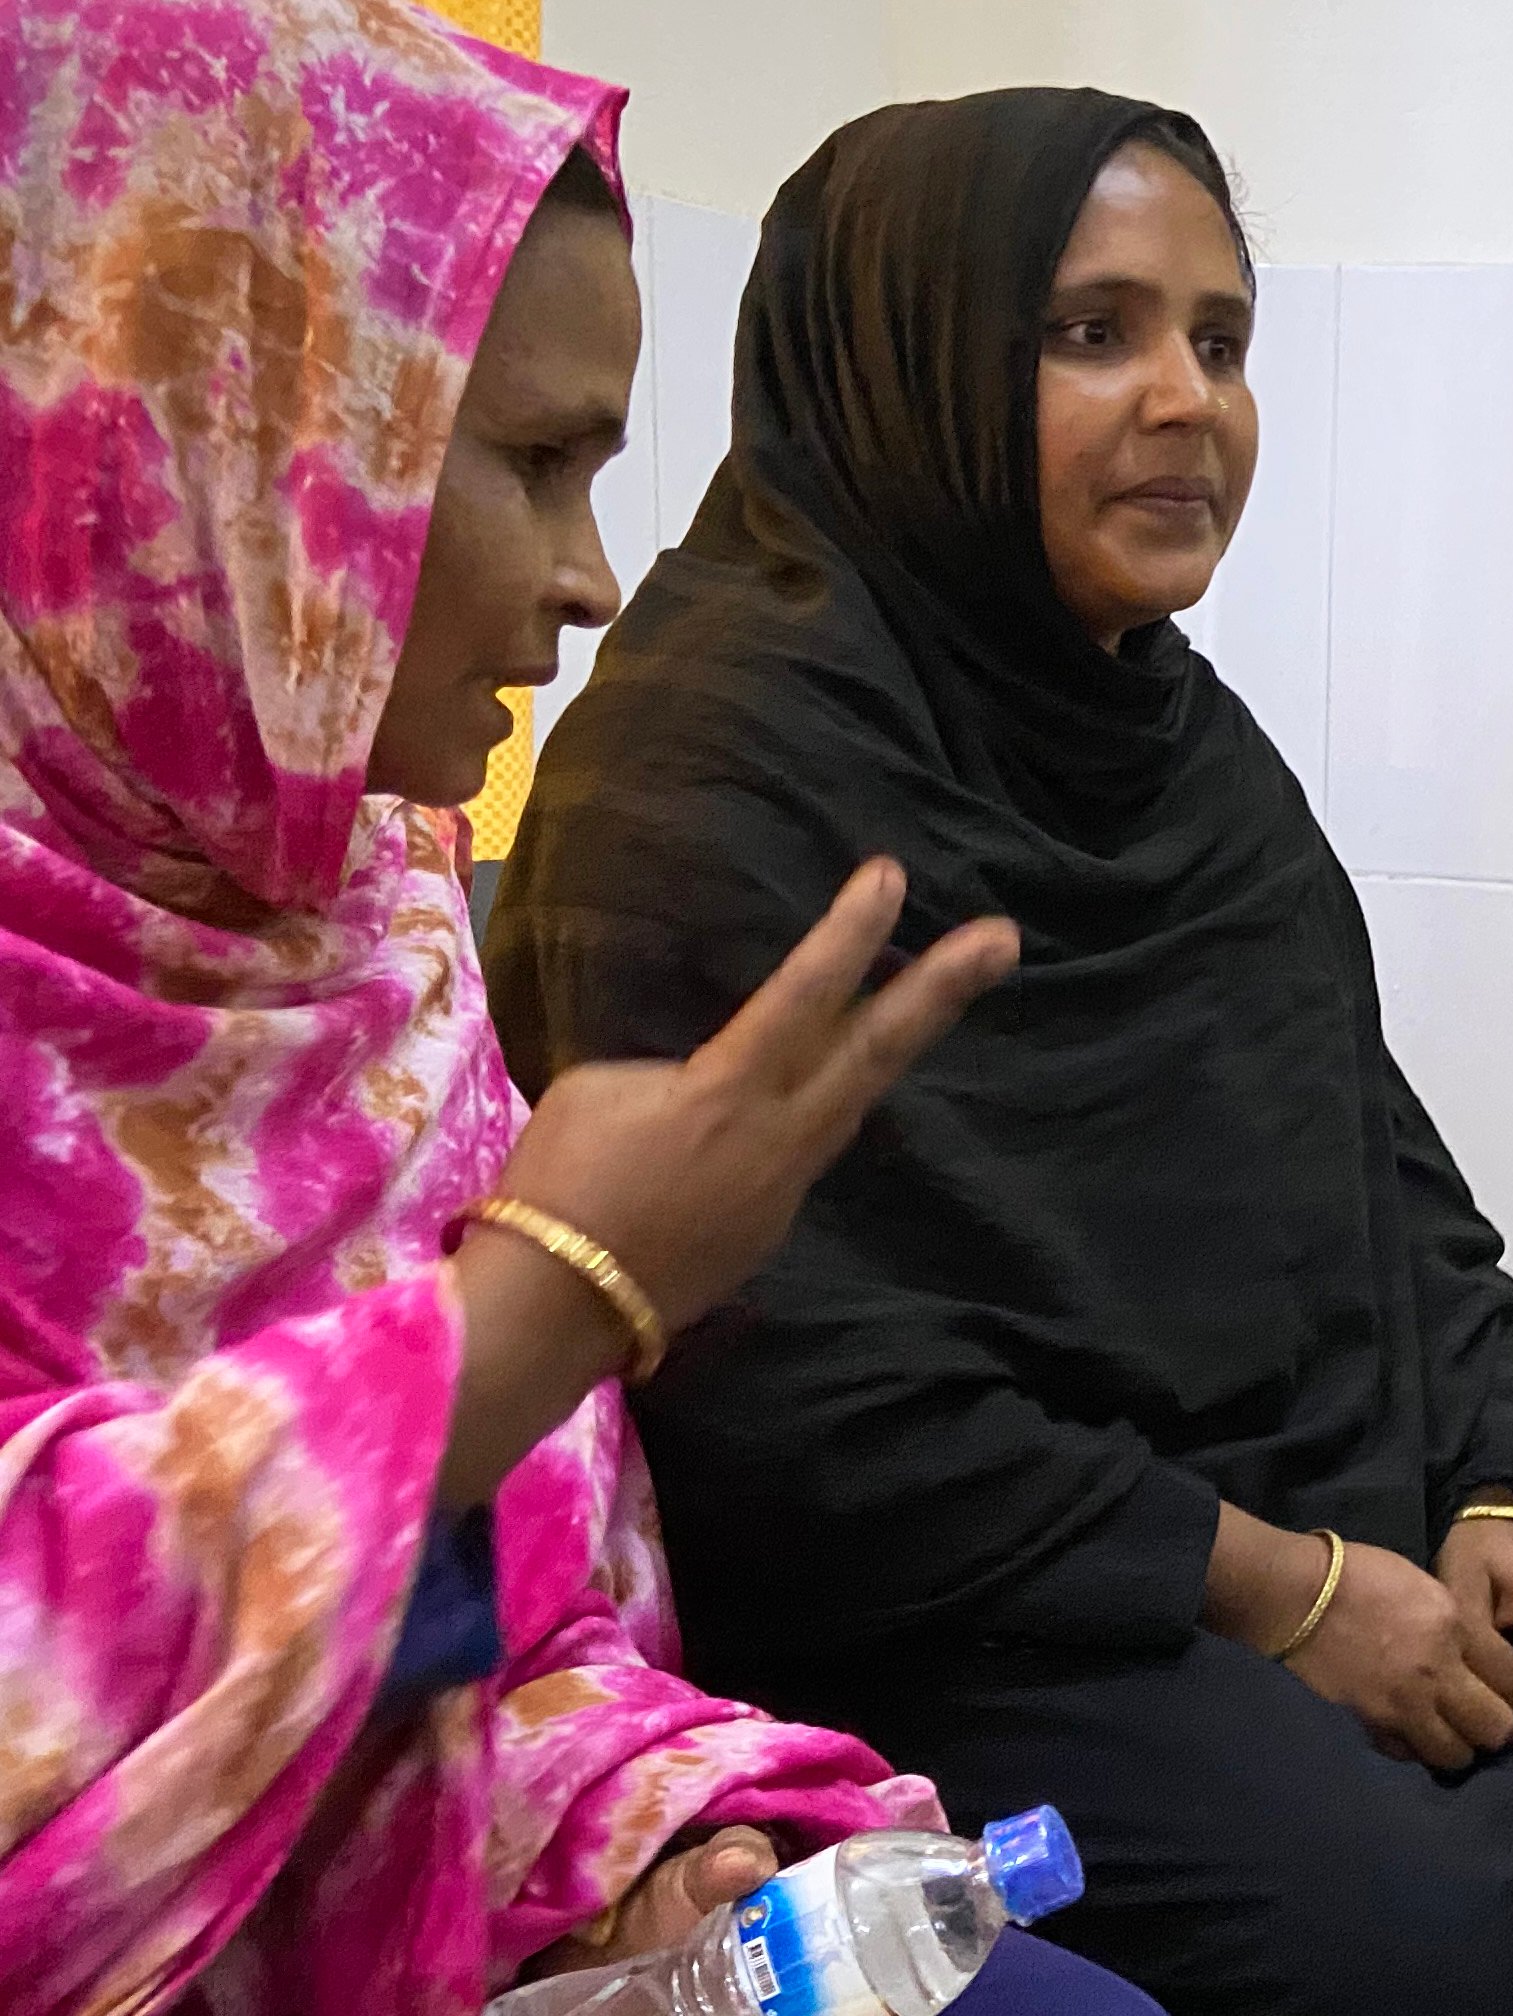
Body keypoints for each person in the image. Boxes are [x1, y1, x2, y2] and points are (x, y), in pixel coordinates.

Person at [479, 87, 1513, 2016]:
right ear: (907, 356)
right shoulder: (702, 786)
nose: (1188, 400)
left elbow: (1396, 1213)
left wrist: (1500, 1500)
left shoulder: (1179, 751)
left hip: (1299, 1498)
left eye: (1221, 340)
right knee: (1386, 1915)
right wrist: (1293, 1596)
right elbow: (798, 1419)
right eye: (1094, 332)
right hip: (957, 1604)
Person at [0, 2, 1158, 2010]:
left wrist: (649, 1846)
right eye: (530, 464)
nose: (590, 576)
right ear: (215, 442)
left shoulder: (375, 910)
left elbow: (515, 1638)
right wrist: (537, 1302)